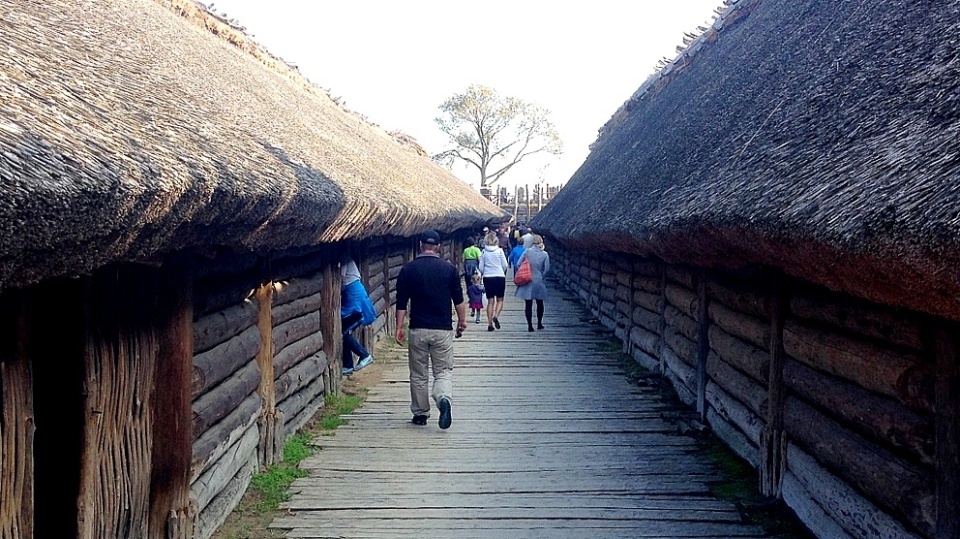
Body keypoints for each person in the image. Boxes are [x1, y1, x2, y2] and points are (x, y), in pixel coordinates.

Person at [395, 230, 467, 429]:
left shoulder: (408, 270)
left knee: (418, 374)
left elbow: (401, 302)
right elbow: (458, 299)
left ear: (420, 245)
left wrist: (399, 326)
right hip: (442, 329)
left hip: (418, 328)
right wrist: (462, 321)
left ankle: (420, 413)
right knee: (443, 371)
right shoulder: (449, 270)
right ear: (438, 247)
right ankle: (443, 398)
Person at [340, 254, 376, 376]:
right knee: (343, 332)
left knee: (343, 332)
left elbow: (340, 276)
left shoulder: (344, 258)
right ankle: (348, 365)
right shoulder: (347, 259)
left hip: (355, 302)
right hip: (353, 298)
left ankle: (364, 355)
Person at [514, 234, 551, 332]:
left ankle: (530, 325)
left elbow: (518, 264)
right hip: (538, 279)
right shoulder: (545, 254)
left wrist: (524, 271)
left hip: (528, 278)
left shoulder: (527, 251)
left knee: (528, 304)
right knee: (540, 303)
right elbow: (547, 269)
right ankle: (539, 323)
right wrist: (542, 276)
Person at [478, 231, 508, 332]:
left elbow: (481, 267)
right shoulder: (499, 251)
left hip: (488, 278)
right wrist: (501, 271)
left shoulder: (484, 252)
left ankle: (490, 324)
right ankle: (496, 315)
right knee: (500, 300)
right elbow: (505, 265)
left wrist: (485, 272)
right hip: (499, 276)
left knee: (490, 301)